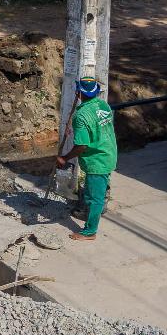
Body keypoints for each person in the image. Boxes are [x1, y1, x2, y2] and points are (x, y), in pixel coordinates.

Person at [57, 78, 117, 242]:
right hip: (108, 152)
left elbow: (81, 146)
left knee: (95, 198)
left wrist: (64, 158)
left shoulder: (81, 116)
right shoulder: (103, 105)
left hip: (97, 161)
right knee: (96, 190)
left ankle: (90, 231)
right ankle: (92, 210)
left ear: (79, 93)